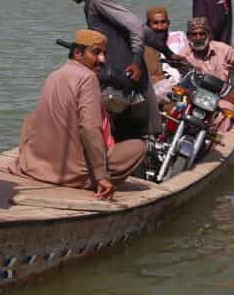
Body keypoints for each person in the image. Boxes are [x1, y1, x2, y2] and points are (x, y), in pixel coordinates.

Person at [15, 30, 149, 198]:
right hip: (73, 173)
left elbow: (33, 120)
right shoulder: (87, 78)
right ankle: (89, 180)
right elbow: (89, 128)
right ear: (78, 53)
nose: (102, 59)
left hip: (36, 166)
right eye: (96, 52)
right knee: (139, 147)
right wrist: (101, 176)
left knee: (32, 118)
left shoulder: (54, 75)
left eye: (104, 54)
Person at [51, 0, 153, 139]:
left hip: (125, 76)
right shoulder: (90, 4)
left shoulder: (99, 0)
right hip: (116, 75)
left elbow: (136, 26)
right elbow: (143, 30)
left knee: (125, 132)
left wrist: (137, 60)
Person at [142, 5, 187, 101]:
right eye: (155, 23)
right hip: (157, 91)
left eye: (163, 22)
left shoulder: (179, 37)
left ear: (168, 23)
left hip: (182, 89)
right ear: (147, 25)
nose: (160, 27)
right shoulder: (143, 45)